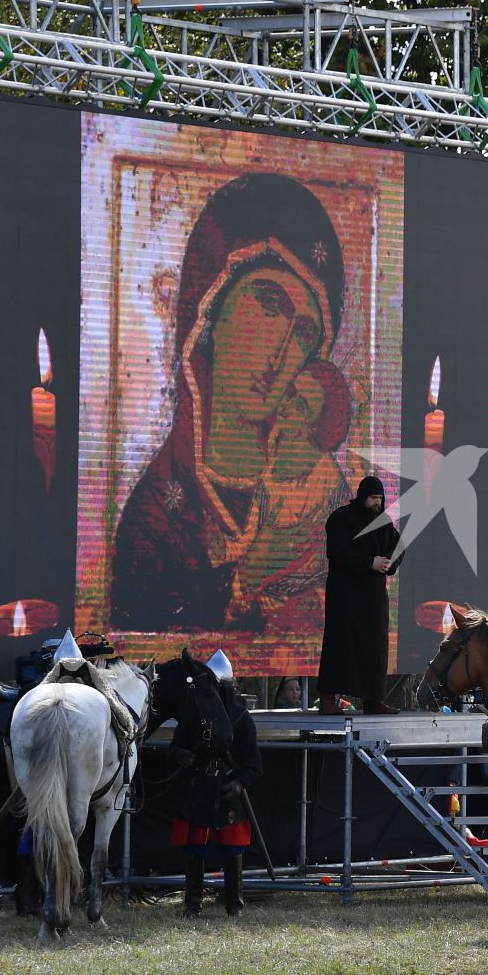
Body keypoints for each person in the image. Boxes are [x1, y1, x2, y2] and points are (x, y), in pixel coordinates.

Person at [112, 173, 348, 631]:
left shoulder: (319, 499)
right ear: (209, 310)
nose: (280, 354)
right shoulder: (156, 515)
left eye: (303, 333)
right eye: (269, 303)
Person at [172, 655, 264, 917]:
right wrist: (180, 754)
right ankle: (193, 904)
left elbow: (253, 763)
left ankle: (234, 904)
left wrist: (239, 782)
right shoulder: (194, 715)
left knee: (233, 848)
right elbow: (177, 745)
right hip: (199, 788)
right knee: (195, 848)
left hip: (227, 789)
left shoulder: (241, 719)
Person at [314, 475, 402, 713]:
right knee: (339, 644)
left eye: (380, 499)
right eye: (373, 498)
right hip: (345, 597)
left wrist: (389, 563)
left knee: (374, 648)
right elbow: (338, 551)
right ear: (363, 496)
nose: (377, 503)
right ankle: (328, 699)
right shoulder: (342, 519)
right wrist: (368, 562)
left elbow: (398, 546)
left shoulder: (383, 522)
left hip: (373, 599)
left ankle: (372, 699)